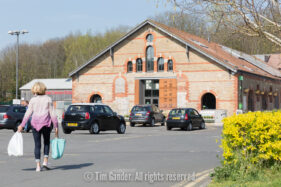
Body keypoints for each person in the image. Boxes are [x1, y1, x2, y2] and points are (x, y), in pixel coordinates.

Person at [18, 82, 58, 172]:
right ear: (43, 89)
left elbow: (27, 113)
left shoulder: (32, 100)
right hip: (46, 124)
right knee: (46, 143)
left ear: (34, 90)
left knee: (37, 145)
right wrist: (56, 125)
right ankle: (45, 162)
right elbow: (53, 114)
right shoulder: (48, 99)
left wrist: (22, 125)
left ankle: (38, 166)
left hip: (35, 124)